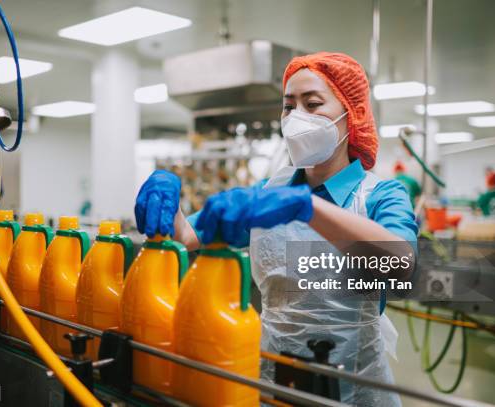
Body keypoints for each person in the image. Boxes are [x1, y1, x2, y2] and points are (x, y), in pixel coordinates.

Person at [135, 52, 417, 406]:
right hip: (271, 377)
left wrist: (307, 206)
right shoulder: (269, 193)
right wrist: (167, 194)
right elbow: (186, 237)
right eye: (289, 106)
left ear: (352, 115)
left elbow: (400, 268)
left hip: (354, 383)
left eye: (313, 104)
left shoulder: (380, 195)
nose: (297, 118)